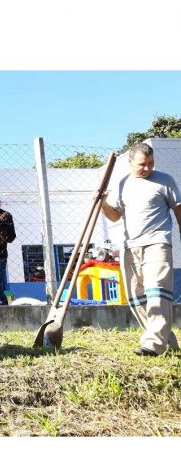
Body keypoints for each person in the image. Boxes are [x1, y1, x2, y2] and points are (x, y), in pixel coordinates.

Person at [101, 141, 181, 356]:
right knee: (136, 296)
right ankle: (167, 340)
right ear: (130, 162)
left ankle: (153, 344)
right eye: (142, 164)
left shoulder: (165, 180)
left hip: (158, 242)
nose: (147, 168)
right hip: (130, 245)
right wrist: (102, 202)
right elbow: (114, 216)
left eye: (151, 163)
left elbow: (179, 210)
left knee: (157, 291)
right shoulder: (122, 184)